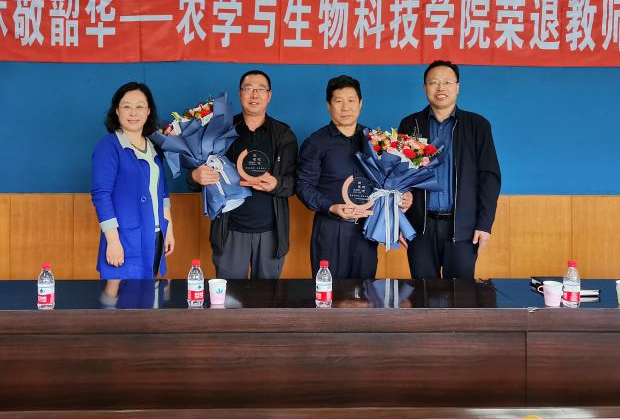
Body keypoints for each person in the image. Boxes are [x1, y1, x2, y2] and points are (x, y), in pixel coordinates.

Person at [296, 75, 409, 279]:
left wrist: (402, 197)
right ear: (328, 105)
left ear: (360, 103)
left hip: (367, 228)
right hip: (331, 228)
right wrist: (331, 207)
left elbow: (390, 181)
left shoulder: (375, 140)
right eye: (339, 101)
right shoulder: (316, 142)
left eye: (351, 100)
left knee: (364, 291)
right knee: (328, 290)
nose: (345, 107)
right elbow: (303, 185)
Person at [397, 60, 501, 280]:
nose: (440, 88)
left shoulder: (477, 125)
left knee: (461, 294)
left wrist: (485, 224)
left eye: (447, 82)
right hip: (420, 228)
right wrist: (398, 222)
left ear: (457, 87)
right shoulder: (410, 124)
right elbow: (398, 176)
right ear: (425, 87)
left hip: (463, 229)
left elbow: (489, 177)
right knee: (423, 293)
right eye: (434, 82)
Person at [190, 70, 297, 279]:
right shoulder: (220, 130)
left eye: (260, 89)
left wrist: (276, 184)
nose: (254, 94)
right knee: (229, 296)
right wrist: (195, 176)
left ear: (269, 95)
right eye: (248, 89)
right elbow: (199, 177)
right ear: (240, 94)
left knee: (267, 297)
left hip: (271, 233)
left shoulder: (283, 134)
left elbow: (295, 183)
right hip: (229, 230)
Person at [91, 82, 175, 279]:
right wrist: (113, 241)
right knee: (122, 297)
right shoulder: (108, 146)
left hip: (155, 236)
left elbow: (162, 193)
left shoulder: (154, 146)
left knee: (149, 295)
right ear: (117, 111)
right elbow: (101, 195)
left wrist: (169, 230)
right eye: (127, 106)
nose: (133, 113)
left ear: (148, 111)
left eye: (140, 106)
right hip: (124, 239)